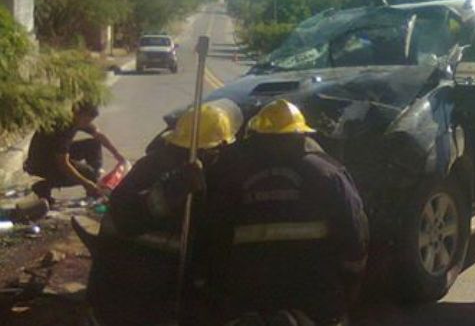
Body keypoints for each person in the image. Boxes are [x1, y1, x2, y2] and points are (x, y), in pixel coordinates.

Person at [211, 99, 369, 326]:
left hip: (250, 295)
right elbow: (355, 233)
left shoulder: (234, 177)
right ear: (301, 136)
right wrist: (349, 288)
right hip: (314, 295)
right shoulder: (327, 174)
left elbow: (214, 235)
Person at [91, 99, 244, 326]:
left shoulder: (150, 166)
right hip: (135, 299)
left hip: (112, 293)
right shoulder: (183, 180)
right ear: (210, 150)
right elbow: (129, 218)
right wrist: (176, 188)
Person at [24, 102, 125, 205]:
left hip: (51, 153)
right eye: (86, 120)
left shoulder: (75, 119)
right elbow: (63, 163)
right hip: (41, 163)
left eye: (89, 121)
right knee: (88, 174)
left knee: (93, 144)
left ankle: (95, 179)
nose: (87, 124)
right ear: (77, 113)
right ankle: (43, 186)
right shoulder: (64, 128)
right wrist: (86, 183)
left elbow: (98, 135)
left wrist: (116, 154)